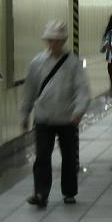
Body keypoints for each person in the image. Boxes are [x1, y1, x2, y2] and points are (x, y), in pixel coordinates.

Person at [19, 20, 91, 208]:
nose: (54, 43)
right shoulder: (37, 63)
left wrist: (78, 111)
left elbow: (82, 89)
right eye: (51, 40)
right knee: (42, 156)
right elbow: (29, 91)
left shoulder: (73, 63)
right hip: (44, 117)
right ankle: (41, 193)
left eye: (58, 40)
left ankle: (69, 192)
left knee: (69, 157)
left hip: (67, 118)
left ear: (64, 40)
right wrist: (24, 114)